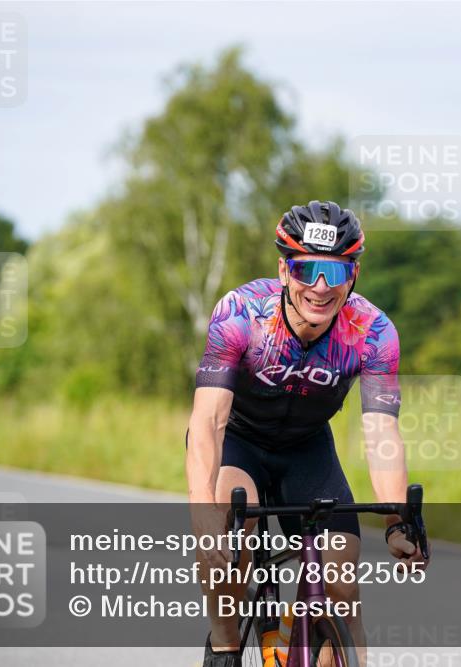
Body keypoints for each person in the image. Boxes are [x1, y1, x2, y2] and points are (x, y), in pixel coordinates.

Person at [186, 200, 428, 666]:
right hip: (240, 441)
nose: (319, 287)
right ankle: (224, 644)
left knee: (341, 584)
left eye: (334, 273)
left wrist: (398, 520)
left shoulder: (374, 332)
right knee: (232, 531)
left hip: (307, 450)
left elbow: (381, 430)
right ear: (283, 270)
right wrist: (204, 513)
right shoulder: (240, 313)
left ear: (352, 275)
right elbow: (208, 421)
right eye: (304, 270)